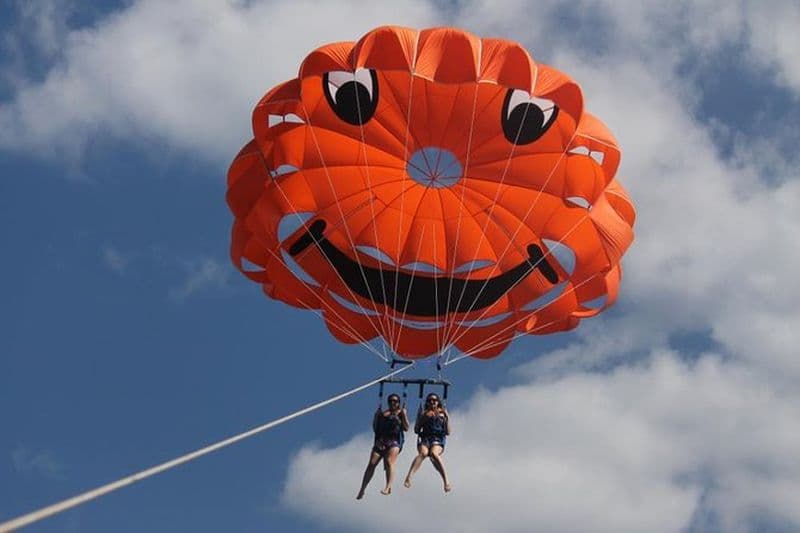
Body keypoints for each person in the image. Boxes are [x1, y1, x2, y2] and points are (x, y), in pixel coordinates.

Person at [356, 393, 409, 499]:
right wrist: (376, 417)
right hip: (382, 440)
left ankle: (388, 486)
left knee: (389, 461)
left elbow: (406, 428)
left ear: (398, 403)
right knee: (371, 464)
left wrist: (404, 415)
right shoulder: (383, 414)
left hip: (394, 440)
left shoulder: (400, 413)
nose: (392, 403)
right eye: (390, 401)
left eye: (395, 401)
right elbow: (376, 429)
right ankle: (362, 489)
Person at [404, 392, 452, 493]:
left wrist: (447, 417)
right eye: (430, 400)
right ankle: (409, 476)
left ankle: (446, 481)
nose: (432, 402)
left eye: (434, 400)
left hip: (438, 439)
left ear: (438, 402)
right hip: (425, 438)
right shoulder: (424, 413)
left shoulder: (442, 414)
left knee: (434, 454)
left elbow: (448, 432)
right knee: (424, 453)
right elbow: (416, 430)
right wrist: (423, 418)